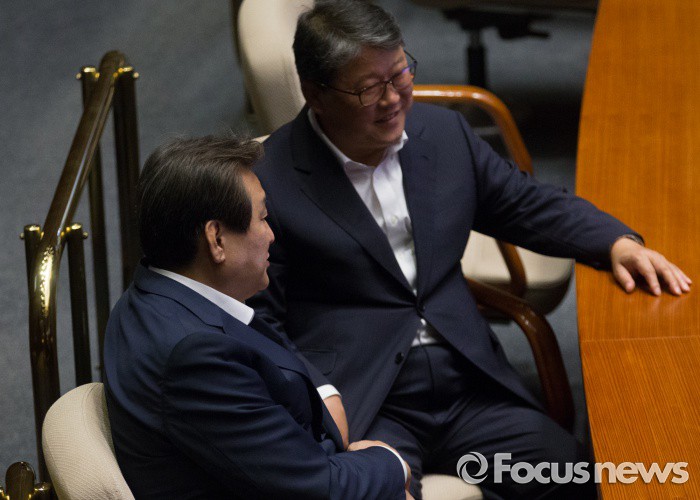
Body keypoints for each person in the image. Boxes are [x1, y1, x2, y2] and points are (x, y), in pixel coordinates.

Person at [248, 1, 692, 499]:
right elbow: (259, 323)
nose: (393, 99)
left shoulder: (443, 134)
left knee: (573, 477)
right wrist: (319, 398)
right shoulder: (267, 183)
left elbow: (523, 203)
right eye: (369, 88)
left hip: (468, 387)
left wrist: (615, 242)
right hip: (368, 401)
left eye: (401, 73)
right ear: (316, 94)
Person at [103, 135, 413, 499]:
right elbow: (315, 489)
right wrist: (391, 462)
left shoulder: (156, 292)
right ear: (216, 240)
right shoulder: (197, 357)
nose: (271, 235)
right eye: (262, 218)